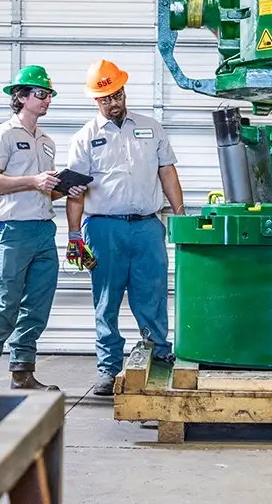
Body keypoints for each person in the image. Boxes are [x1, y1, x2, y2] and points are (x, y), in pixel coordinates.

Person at [65, 59, 185, 396]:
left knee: (153, 293)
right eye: (106, 99)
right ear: (96, 100)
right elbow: (75, 191)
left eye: (117, 95)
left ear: (123, 91)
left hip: (148, 227)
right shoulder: (85, 139)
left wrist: (179, 213)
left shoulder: (151, 127)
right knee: (107, 299)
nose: (114, 103)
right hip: (104, 229)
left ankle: (160, 353)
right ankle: (108, 367)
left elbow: (167, 173)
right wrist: (74, 235)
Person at [0, 65, 87, 390]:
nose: (47, 99)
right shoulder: (3, 135)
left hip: (43, 231)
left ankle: (22, 371)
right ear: (20, 97)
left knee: (37, 304)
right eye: (41, 94)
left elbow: (45, 189)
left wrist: (65, 189)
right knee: (6, 303)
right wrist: (33, 180)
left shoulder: (47, 142)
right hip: (13, 232)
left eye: (49, 94)